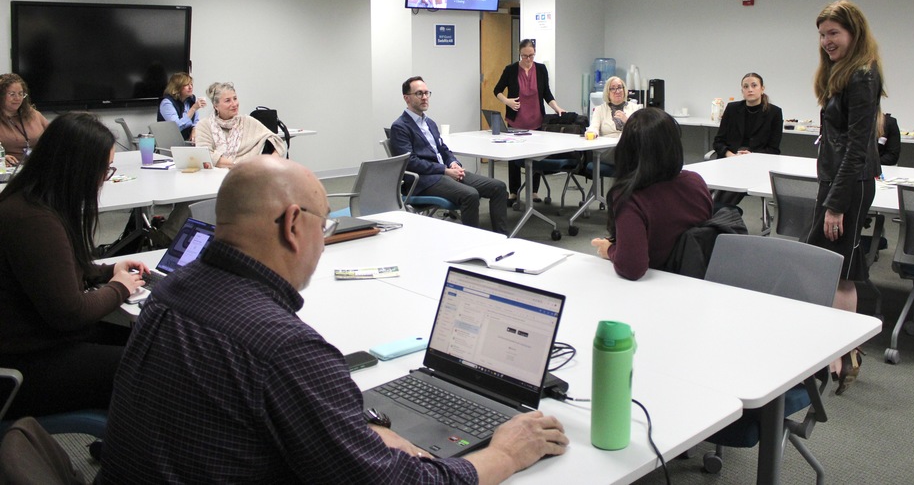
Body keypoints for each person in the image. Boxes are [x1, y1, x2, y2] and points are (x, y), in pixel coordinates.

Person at [99, 156, 567, 483]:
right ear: (292, 224)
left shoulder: (172, 291)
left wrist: (359, 425)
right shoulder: (284, 348)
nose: (323, 243)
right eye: (323, 227)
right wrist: (503, 455)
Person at [0, 112, 148, 418]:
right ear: (79, 169)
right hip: (24, 364)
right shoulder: (33, 220)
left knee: (147, 341)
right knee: (151, 365)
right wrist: (120, 287)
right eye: (105, 169)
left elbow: (50, 272)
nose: (104, 179)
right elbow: (71, 313)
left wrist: (107, 271)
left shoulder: (30, 203)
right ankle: (133, 455)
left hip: (35, 342)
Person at [805, 0, 886, 394]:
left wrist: (836, 203)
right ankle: (837, 349)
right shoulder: (840, 72)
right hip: (836, 180)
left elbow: (857, 146)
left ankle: (844, 353)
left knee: (843, 270)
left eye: (833, 33)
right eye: (822, 34)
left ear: (854, 32)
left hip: (850, 184)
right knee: (828, 263)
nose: (826, 41)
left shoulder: (862, 76)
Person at [590, 108, 714, 280]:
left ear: (627, 148)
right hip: (699, 277)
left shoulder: (630, 198)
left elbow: (632, 268)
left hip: (660, 285)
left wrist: (610, 249)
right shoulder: (695, 181)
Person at [392, 77, 507, 234]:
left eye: (426, 93)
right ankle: (472, 244)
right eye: (419, 93)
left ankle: (502, 237)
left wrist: (453, 163)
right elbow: (410, 162)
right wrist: (444, 170)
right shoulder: (400, 127)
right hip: (425, 180)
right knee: (470, 195)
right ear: (407, 98)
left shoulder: (429, 122)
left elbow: (443, 149)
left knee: (498, 187)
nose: (424, 97)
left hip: (447, 172)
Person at [493, 40, 567, 205]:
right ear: (520, 53)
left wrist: (557, 108)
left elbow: (547, 93)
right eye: (525, 56)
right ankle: (513, 192)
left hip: (536, 120)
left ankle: (533, 191)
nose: (528, 59)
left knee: (535, 157)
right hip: (516, 120)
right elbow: (496, 90)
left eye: (531, 56)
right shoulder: (511, 70)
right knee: (514, 158)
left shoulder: (540, 69)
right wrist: (508, 102)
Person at [711, 72, 783, 205]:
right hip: (730, 162)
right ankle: (721, 214)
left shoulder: (774, 113)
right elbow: (718, 141)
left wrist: (751, 156)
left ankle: (720, 213)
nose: (750, 89)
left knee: (723, 198)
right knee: (711, 193)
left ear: (762, 89)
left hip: (755, 165)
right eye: (746, 86)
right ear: (742, 91)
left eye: (754, 85)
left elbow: (773, 150)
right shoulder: (732, 109)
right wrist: (730, 155)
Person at [193, 81, 285, 168]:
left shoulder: (247, 121)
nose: (234, 104)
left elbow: (277, 141)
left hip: (249, 175)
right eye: (227, 100)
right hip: (215, 176)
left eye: (235, 98)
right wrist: (237, 165)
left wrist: (270, 161)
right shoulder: (204, 125)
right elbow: (205, 155)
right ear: (216, 106)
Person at [0, 73, 49, 166]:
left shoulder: (33, 114)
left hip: (38, 166)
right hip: (8, 169)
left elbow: (55, 136)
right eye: (12, 94)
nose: (17, 98)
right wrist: (1, 158)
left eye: (21, 93)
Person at [156, 71, 207, 141]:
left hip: (186, 141)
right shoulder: (167, 103)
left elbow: (196, 122)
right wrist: (193, 109)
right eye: (186, 85)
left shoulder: (190, 100)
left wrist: (194, 130)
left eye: (191, 84)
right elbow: (176, 127)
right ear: (177, 87)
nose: (190, 87)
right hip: (169, 142)